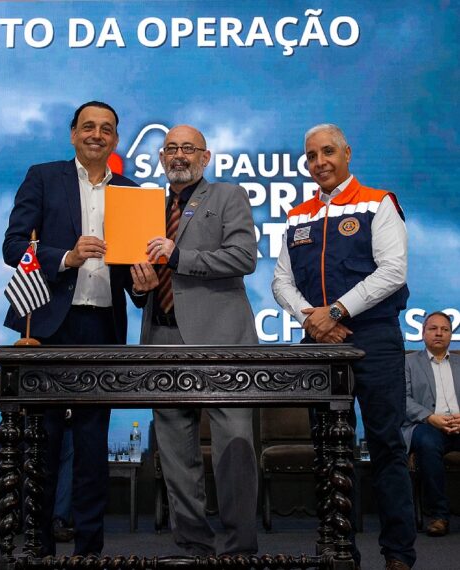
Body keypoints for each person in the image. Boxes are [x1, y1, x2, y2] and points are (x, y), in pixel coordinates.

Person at [2, 101, 157, 556]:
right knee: (42, 444)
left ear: (115, 139)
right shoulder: (43, 177)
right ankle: (39, 548)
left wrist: (144, 287)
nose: (97, 134)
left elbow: (136, 277)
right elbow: (13, 245)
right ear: (73, 134)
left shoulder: (132, 192)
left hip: (102, 327)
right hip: (49, 326)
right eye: (88, 126)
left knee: (92, 450)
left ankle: (90, 550)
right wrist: (66, 256)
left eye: (106, 129)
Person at [272, 123, 416, 570]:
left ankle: (398, 553)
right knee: (328, 450)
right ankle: (338, 550)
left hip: (373, 338)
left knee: (387, 445)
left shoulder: (379, 202)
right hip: (319, 343)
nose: (320, 163)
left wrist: (334, 311)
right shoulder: (298, 215)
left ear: (347, 153)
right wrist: (311, 319)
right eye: (312, 156)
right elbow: (281, 282)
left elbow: (393, 272)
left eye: (328, 152)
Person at [140, 125, 259, 556]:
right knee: (174, 451)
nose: (178, 155)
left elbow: (244, 257)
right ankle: (193, 545)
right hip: (161, 337)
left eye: (187, 148)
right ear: (161, 157)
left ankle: (238, 548)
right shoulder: (147, 206)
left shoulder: (229, 196)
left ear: (205, 157)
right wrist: (141, 283)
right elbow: (145, 273)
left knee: (235, 448)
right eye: (170, 148)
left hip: (223, 341)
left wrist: (179, 257)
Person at [402, 311, 460, 537]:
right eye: (433, 328)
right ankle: (439, 515)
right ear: (423, 333)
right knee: (428, 441)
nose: (439, 333)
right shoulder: (408, 362)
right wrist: (429, 417)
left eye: (445, 329)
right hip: (426, 425)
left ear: (451, 335)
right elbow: (401, 398)